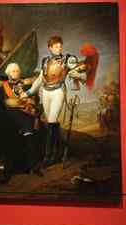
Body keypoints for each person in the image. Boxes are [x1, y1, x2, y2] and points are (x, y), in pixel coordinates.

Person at [21, 36, 88, 168]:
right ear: (50, 48)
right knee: (52, 122)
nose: (59, 48)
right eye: (56, 46)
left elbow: (82, 73)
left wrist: (77, 74)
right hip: (46, 92)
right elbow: (40, 79)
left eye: (60, 46)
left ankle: (48, 157)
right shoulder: (45, 61)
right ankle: (57, 151)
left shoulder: (68, 59)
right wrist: (28, 92)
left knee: (52, 121)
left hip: (58, 91)